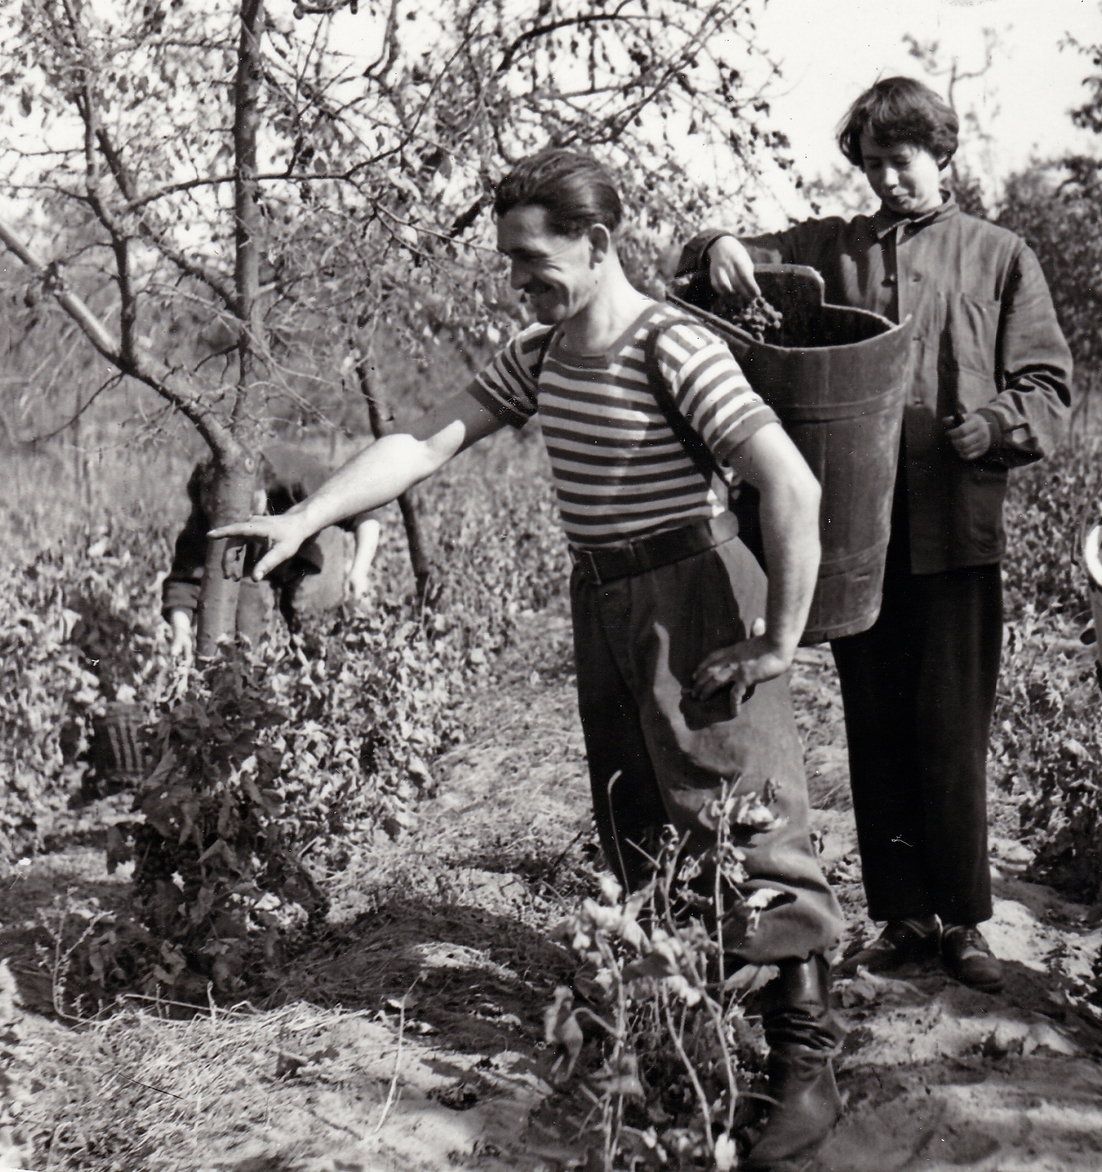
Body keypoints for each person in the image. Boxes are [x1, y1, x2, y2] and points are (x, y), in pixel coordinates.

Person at [213, 149, 846, 1165]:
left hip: (693, 586)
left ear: (599, 242)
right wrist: (311, 518)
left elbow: (792, 486)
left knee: (743, 811)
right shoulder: (543, 353)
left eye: (531, 257)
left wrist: (777, 640)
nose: (517, 278)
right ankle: (679, 1037)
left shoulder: (669, 344)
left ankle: (803, 1059)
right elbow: (423, 443)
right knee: (642, 816)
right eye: (508, 260)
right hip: (603, 594)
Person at [677, 77, 1074, 993]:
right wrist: (723, 246)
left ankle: (967, 925)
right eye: (874, 162)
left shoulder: (1001, 258)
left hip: (955, 535)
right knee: (878, 728)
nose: (890, 178)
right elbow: (708, 263)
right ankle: (901, 917)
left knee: (952, 730)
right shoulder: (829, 249)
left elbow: (1050, 389)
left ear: (945, 156)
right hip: (855, 542)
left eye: (906, 159)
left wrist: (997, 425)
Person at [163, 444, 382, 659]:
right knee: (247, 631)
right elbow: (185, 579)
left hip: (311, 541)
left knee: (314, 621)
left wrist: (359, 571)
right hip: (252, 557)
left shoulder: (298, 475)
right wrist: (181, 631)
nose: (245, 517)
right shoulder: (209, 509)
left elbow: (363, 516)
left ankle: (318, 669)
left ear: (263, 486)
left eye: (251, 506)